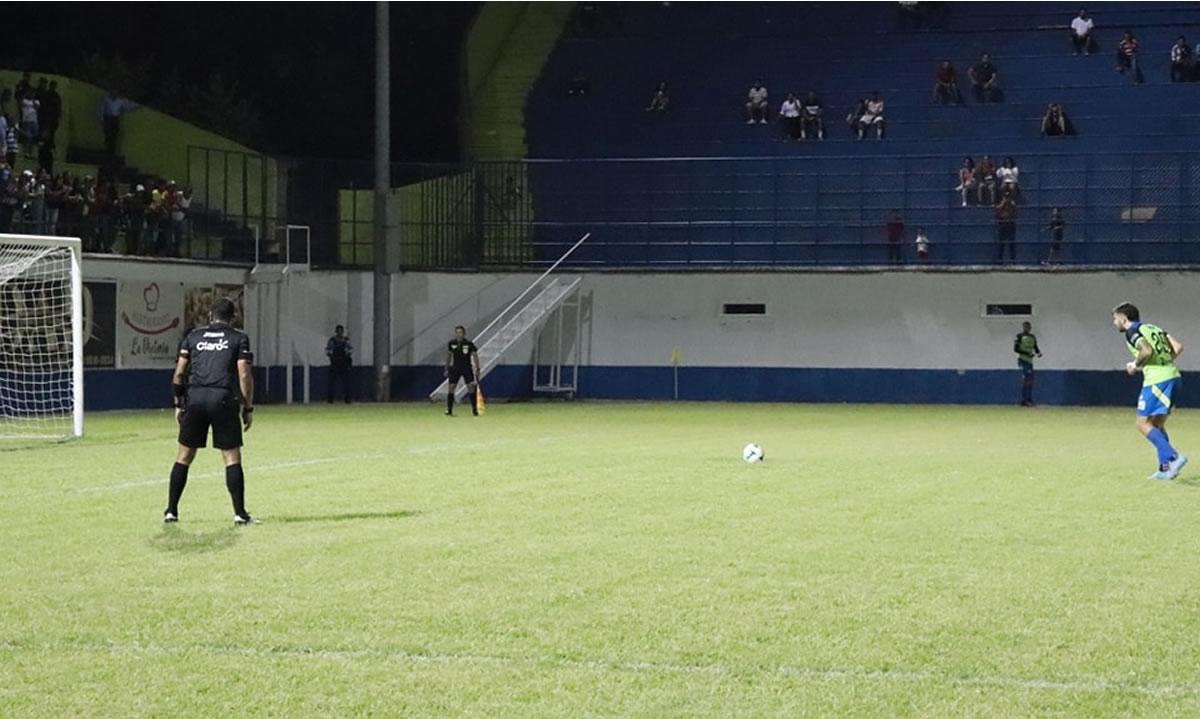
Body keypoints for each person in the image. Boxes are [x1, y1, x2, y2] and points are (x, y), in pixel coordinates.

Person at [165, 297, 257, 525]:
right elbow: (244, 374)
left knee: (184, 456)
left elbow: (178, 374)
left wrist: (179, 403)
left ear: (209, 316)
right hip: (222, 398)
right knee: (231, 457)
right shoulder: (238, 338)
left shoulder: (193, 337)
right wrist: (247, 407)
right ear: (233, 317)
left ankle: (171, 511)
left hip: (195, 398)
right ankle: (240, 514)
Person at [1111, 302, 1187, 480]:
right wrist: (1163, 361)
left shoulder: (1132, 332)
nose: (1114, 323)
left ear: (1124, 318)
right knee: (1157, 425)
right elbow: (1178, 347)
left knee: (1142, 424)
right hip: (1173, 375)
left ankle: (1174, 457)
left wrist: (1134, 365)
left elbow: (1146, 350)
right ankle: (1165, 469)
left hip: (1157, 380)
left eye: (1115, 319)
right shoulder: (1153, 328)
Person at [445, 325, 481, 416]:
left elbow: (475, 355)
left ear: (464, 333)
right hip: (455, 368)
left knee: (471, 388)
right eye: (457, 332)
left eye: (460, 332)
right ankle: (449, 410)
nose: (459, 334)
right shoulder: (451, 343)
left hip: (466, 368)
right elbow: (449, 356)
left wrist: (477, 368)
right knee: (451, 388)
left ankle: (474, 410)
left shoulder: (469, 344)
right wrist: (446, 368)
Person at [1014, 321, 1043, 407]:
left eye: (1028, 327)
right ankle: (1024, 400)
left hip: (1030, 361)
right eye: (1025, 327)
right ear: (1023, 327)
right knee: (1026, 380)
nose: (1027, 328)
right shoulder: (1019, 336)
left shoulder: (1032, 337)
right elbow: (1016, 349)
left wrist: (1038, 353)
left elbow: (1035, 347)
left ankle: (1029, 399)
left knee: (1030, 380)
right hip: (1023, 360)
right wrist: (1027, 354)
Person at [325, 324, 354, 403]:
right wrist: (333, 357)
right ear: (336, 331)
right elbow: (328, 351)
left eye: (341, 331)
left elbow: (350, 350)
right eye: (338, 331)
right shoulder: (332, 340)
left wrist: (346, 357)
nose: (340, 333)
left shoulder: (346, 340)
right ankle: (330, 399)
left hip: (344, 364)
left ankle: (347, 399)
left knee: (346, 383)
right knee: (331, 383)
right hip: (334, 363)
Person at [995, 189, 1017, 263]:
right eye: (1006, 197)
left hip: (1010, 224)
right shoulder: (1001, 205)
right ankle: (999, 260)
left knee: (1012, 244)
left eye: (1008, 197)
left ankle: (1013, 260)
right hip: (1003, 224)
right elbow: (997, 214)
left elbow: (1015, 214)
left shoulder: (1012, 205)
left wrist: (1011, 204)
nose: (1007, 199)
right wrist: (1002, 204)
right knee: (1001, 243)